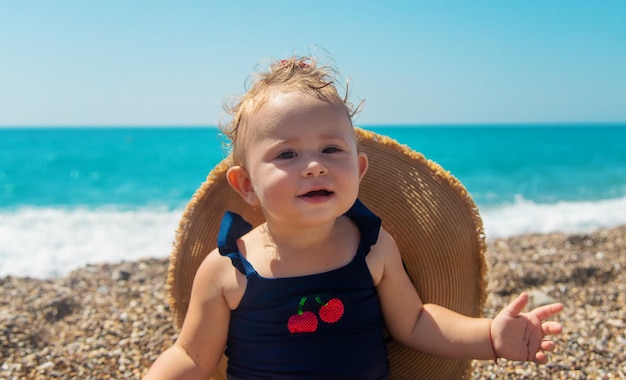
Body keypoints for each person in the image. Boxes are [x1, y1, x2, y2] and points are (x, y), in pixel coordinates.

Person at [144, 56, 563, 379]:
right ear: (247, 185)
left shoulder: (372, 246)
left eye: (331, 149)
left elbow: (415, 321)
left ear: (359, 171)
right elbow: (192, 356)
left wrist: (489, 336)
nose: (314, 166)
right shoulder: (227, 269)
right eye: (287, 154)